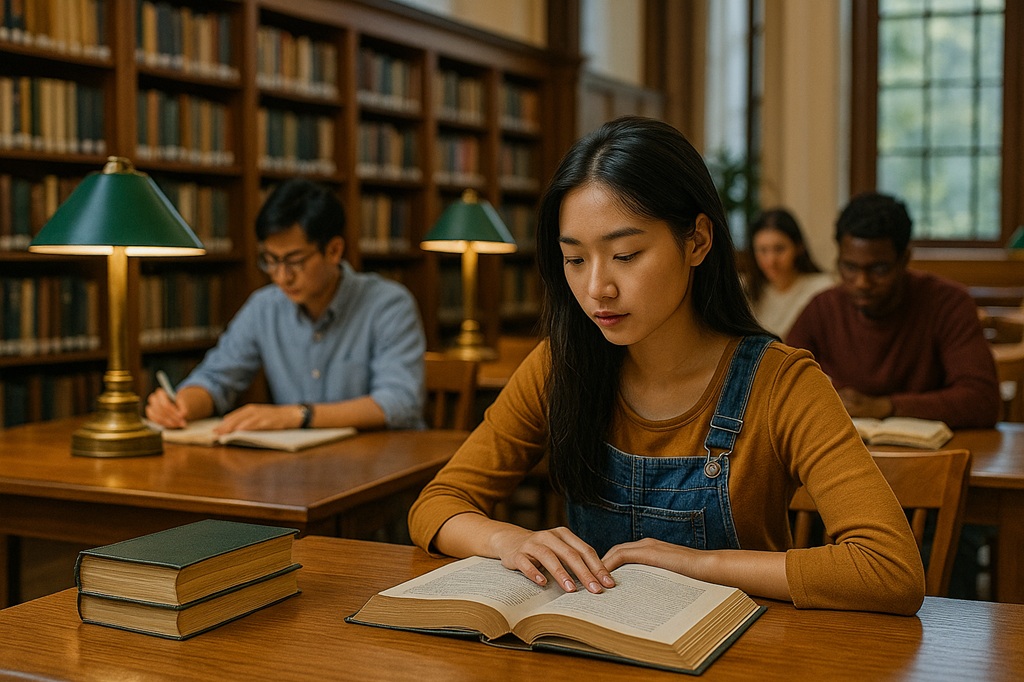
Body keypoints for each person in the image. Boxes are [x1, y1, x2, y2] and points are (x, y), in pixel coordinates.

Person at [408, 116, 925, 615]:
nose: (597, 289)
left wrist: (701, 564)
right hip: (585, 650)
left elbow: (889, 570)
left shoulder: (782, 383)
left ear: (697, 241)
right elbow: (438, 504)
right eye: (575, 259)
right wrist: (509, 539)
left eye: (627, 255)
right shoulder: (560, 364)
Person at [146, 178, 426, 433]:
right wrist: (181, 405)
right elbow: (217, 378)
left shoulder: (388, 304)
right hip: (301, 470)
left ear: (334, 251)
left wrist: (298, 415)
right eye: (270, 260)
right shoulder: (264, 307)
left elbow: (399, 403)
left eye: (294, 261)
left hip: (385, 464)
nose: (282, 276)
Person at [787, 191, 1000, 429]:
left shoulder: (948, 303)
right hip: (844, 454)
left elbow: (982, 400)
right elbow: (781, 384)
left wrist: (886, 407)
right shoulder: (823, 308)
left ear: (904, 259)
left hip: (932, 457)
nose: (862, 283)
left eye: (878, 269)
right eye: (850, 267)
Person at [744, 208, 834, 338]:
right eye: (762, 250)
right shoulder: (746, 289)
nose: (771, 260)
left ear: (798, 247)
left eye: (779, 249)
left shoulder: (821, 290)